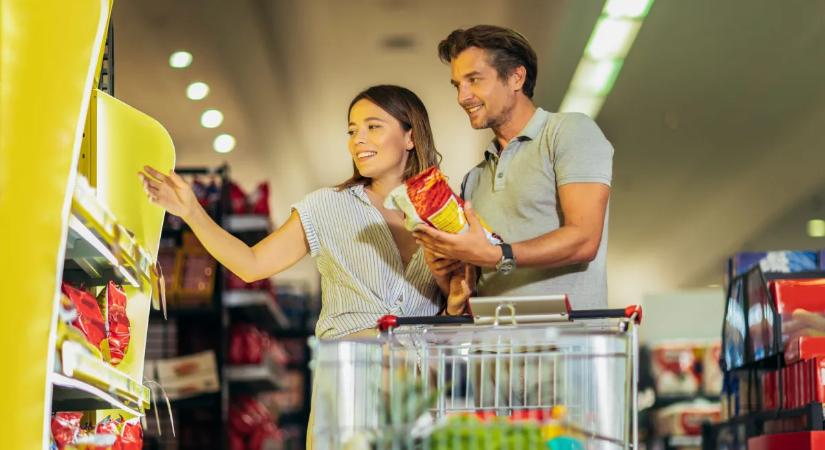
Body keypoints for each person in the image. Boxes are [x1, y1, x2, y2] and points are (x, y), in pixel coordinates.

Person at [139, 84, 473, 340]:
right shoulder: (326, 206)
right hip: (347, 385)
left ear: (410, 137)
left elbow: (458, 307)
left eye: (373, 127)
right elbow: (251, 265)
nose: (358, 140)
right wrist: (191, 211)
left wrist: (455, 303)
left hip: (422, 387)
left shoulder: (445, 214)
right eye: (352, 130)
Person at [415, 24, 614, 310]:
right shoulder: (474, 179)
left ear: (516, 77)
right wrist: (446, 267)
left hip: (566, 343)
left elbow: (584, 239)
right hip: (493, 348)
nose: (463, 96)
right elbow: (471, 279)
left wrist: (499, 255)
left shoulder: (569, 132)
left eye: (474, 80)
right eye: (458, 85)